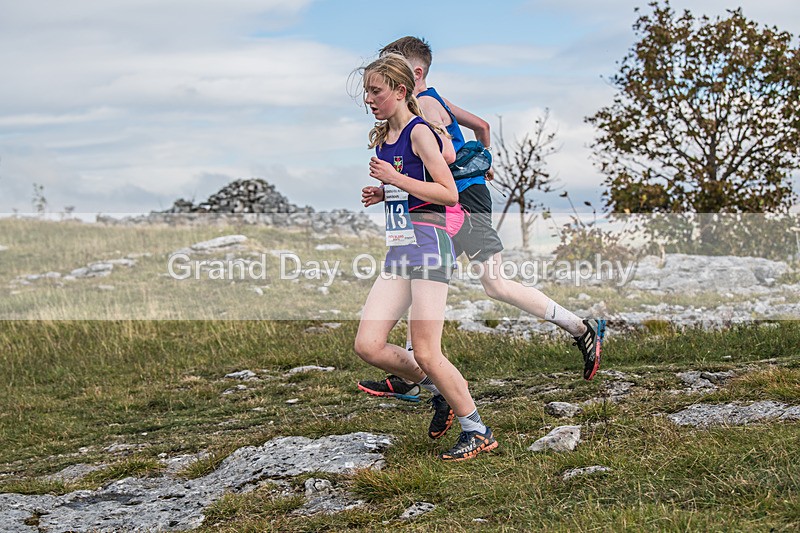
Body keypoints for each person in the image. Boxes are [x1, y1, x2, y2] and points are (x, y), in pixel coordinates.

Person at [358, 37, 606, 439]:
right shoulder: (418, 110)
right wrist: (481, 163)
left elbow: (447, 159)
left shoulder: (425, 109)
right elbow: (483, 129)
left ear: (410, 77)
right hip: (431, 211)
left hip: (458, 203)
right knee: (424, 296)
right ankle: (426, 377)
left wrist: (463, 169)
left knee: (491, 284)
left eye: (390, 70)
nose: (376, 88)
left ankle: (578, 329)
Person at [353, 53, 499, 461]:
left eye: (375, 91)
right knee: (368, 344)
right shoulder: (385, 138)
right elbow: (411, 190)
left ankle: (477, 429)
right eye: (367, 91)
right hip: (400, 246)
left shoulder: (420, 133)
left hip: (431, 245)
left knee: (428, 351)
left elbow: (449, 192)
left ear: (400, 91)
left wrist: (395, 180)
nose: (369, 99)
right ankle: (438, 392)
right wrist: (385, 193)